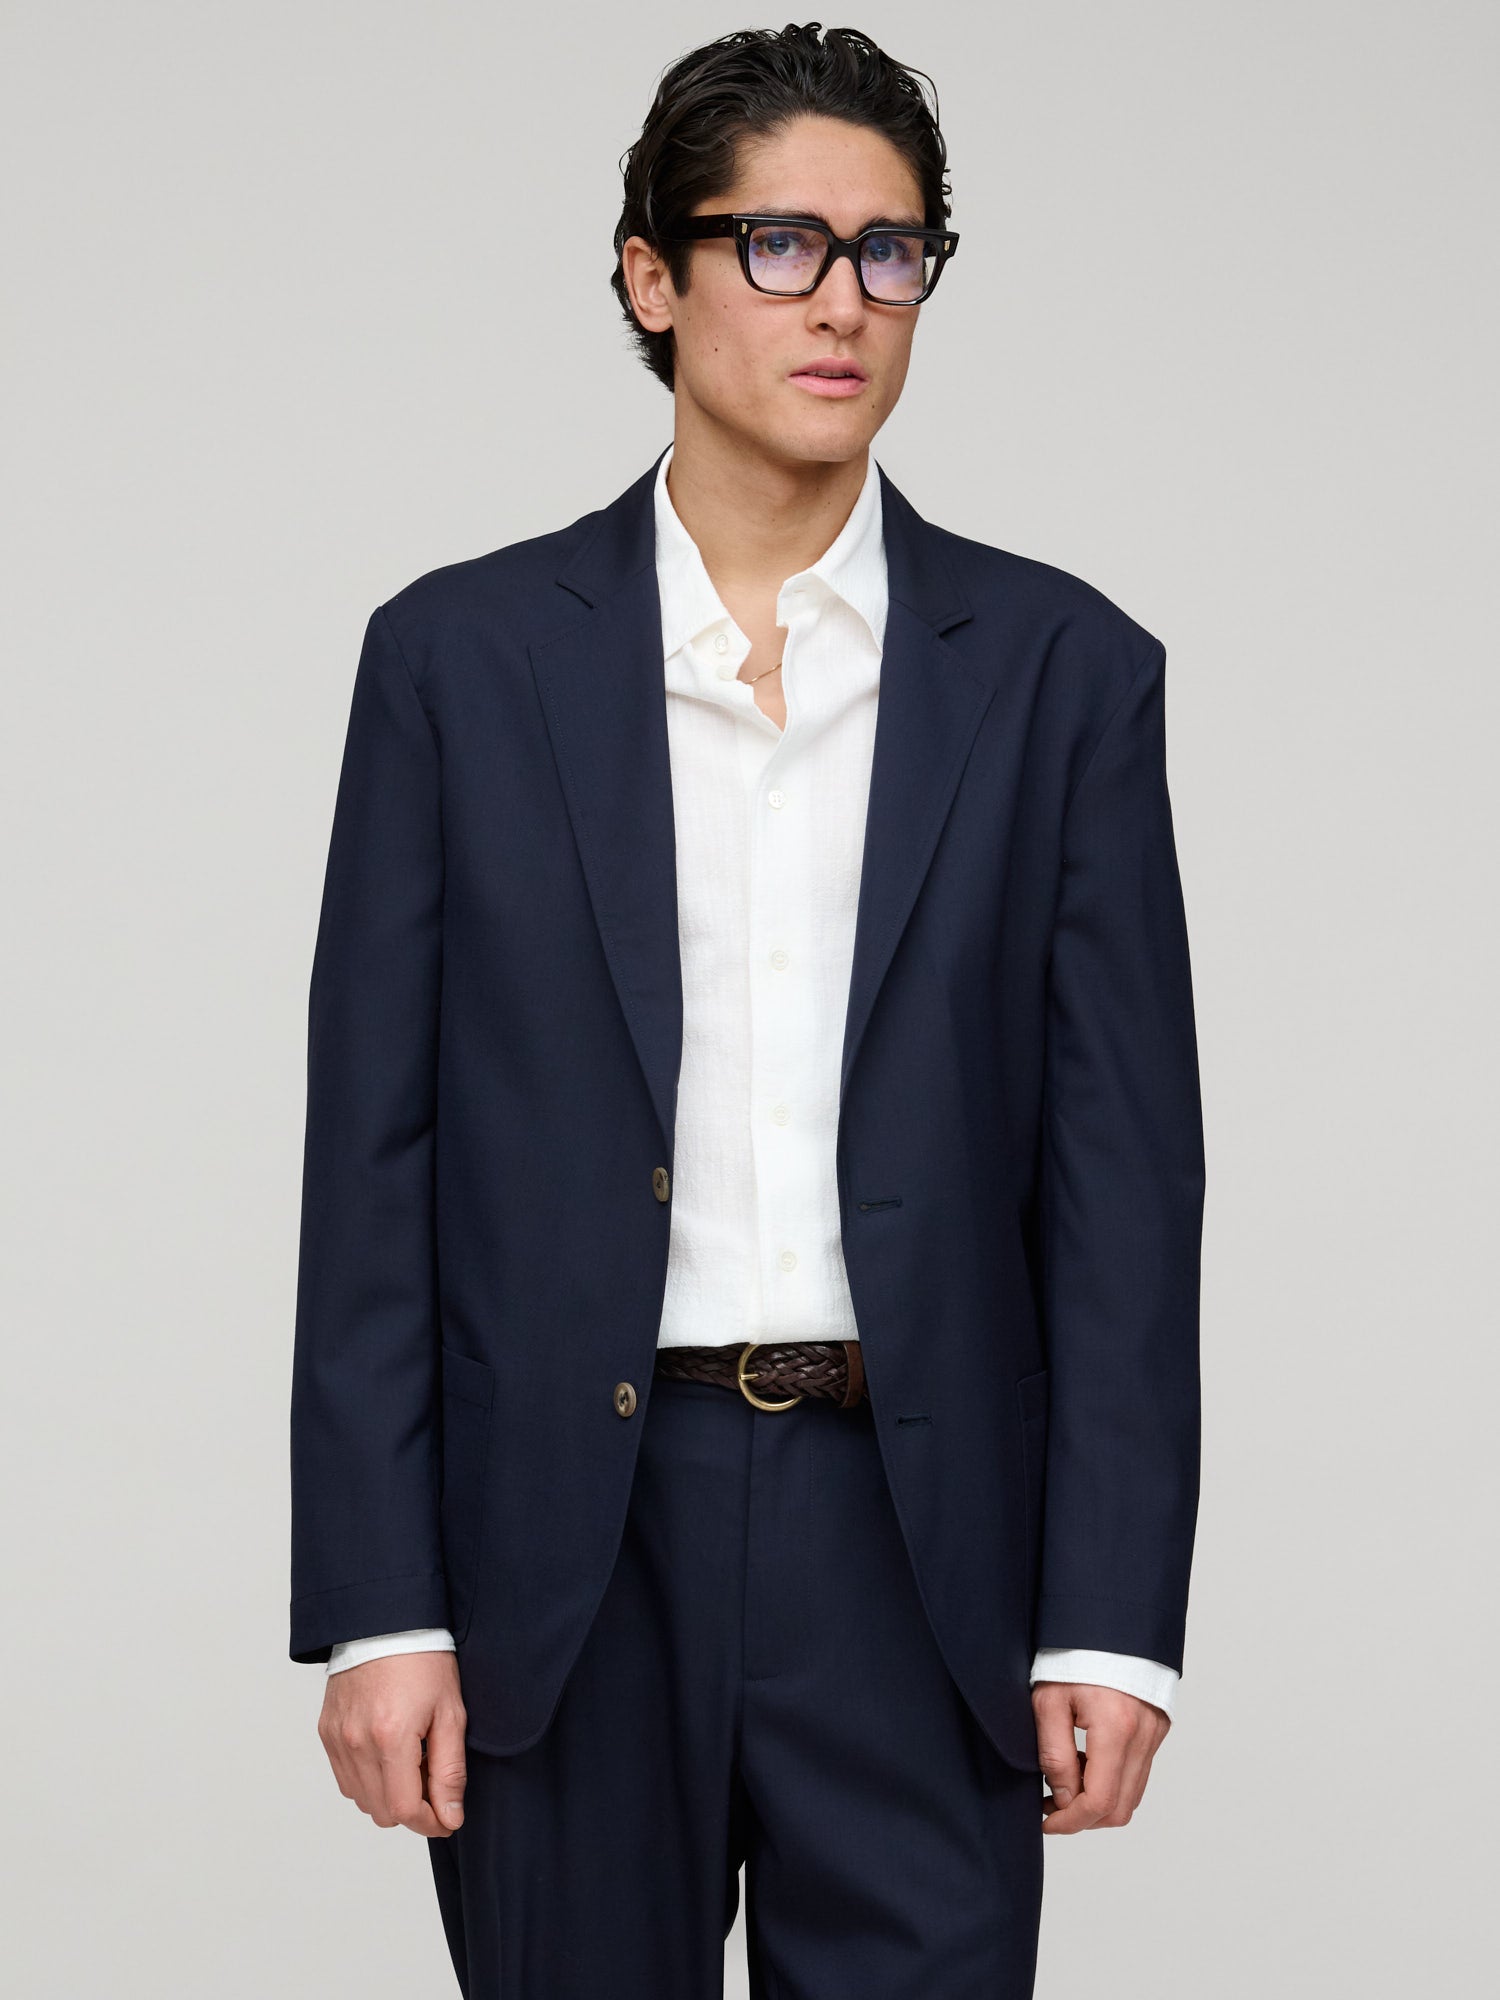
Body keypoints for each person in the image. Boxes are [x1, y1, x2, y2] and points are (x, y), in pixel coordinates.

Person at [288, 22, 1205, 1997]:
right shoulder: (458, 666)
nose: (844, 302)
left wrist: (1111, 1617)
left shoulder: (1064, 675)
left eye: (893, 251)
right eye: (780, 244)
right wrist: (379, 1604)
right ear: (652, 275)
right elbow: (373, 1164)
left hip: (921, 1547)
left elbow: (1127, 1191)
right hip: (566, 1546)